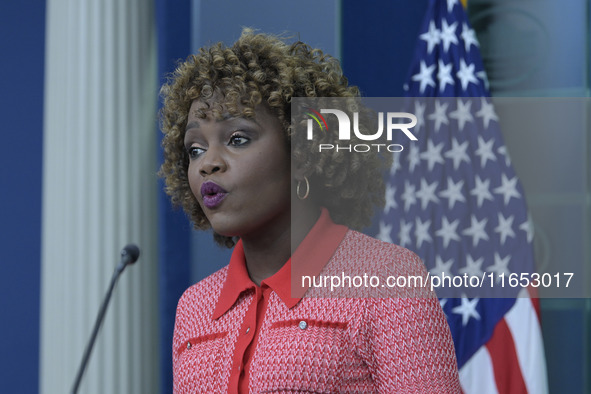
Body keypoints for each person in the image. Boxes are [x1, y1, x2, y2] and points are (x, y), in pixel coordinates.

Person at [159, 29, 461, 393]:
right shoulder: (194, 308)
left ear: (303, 152)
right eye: (194, 149)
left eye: (238, 139)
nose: (208, 164)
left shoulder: (387, 279)